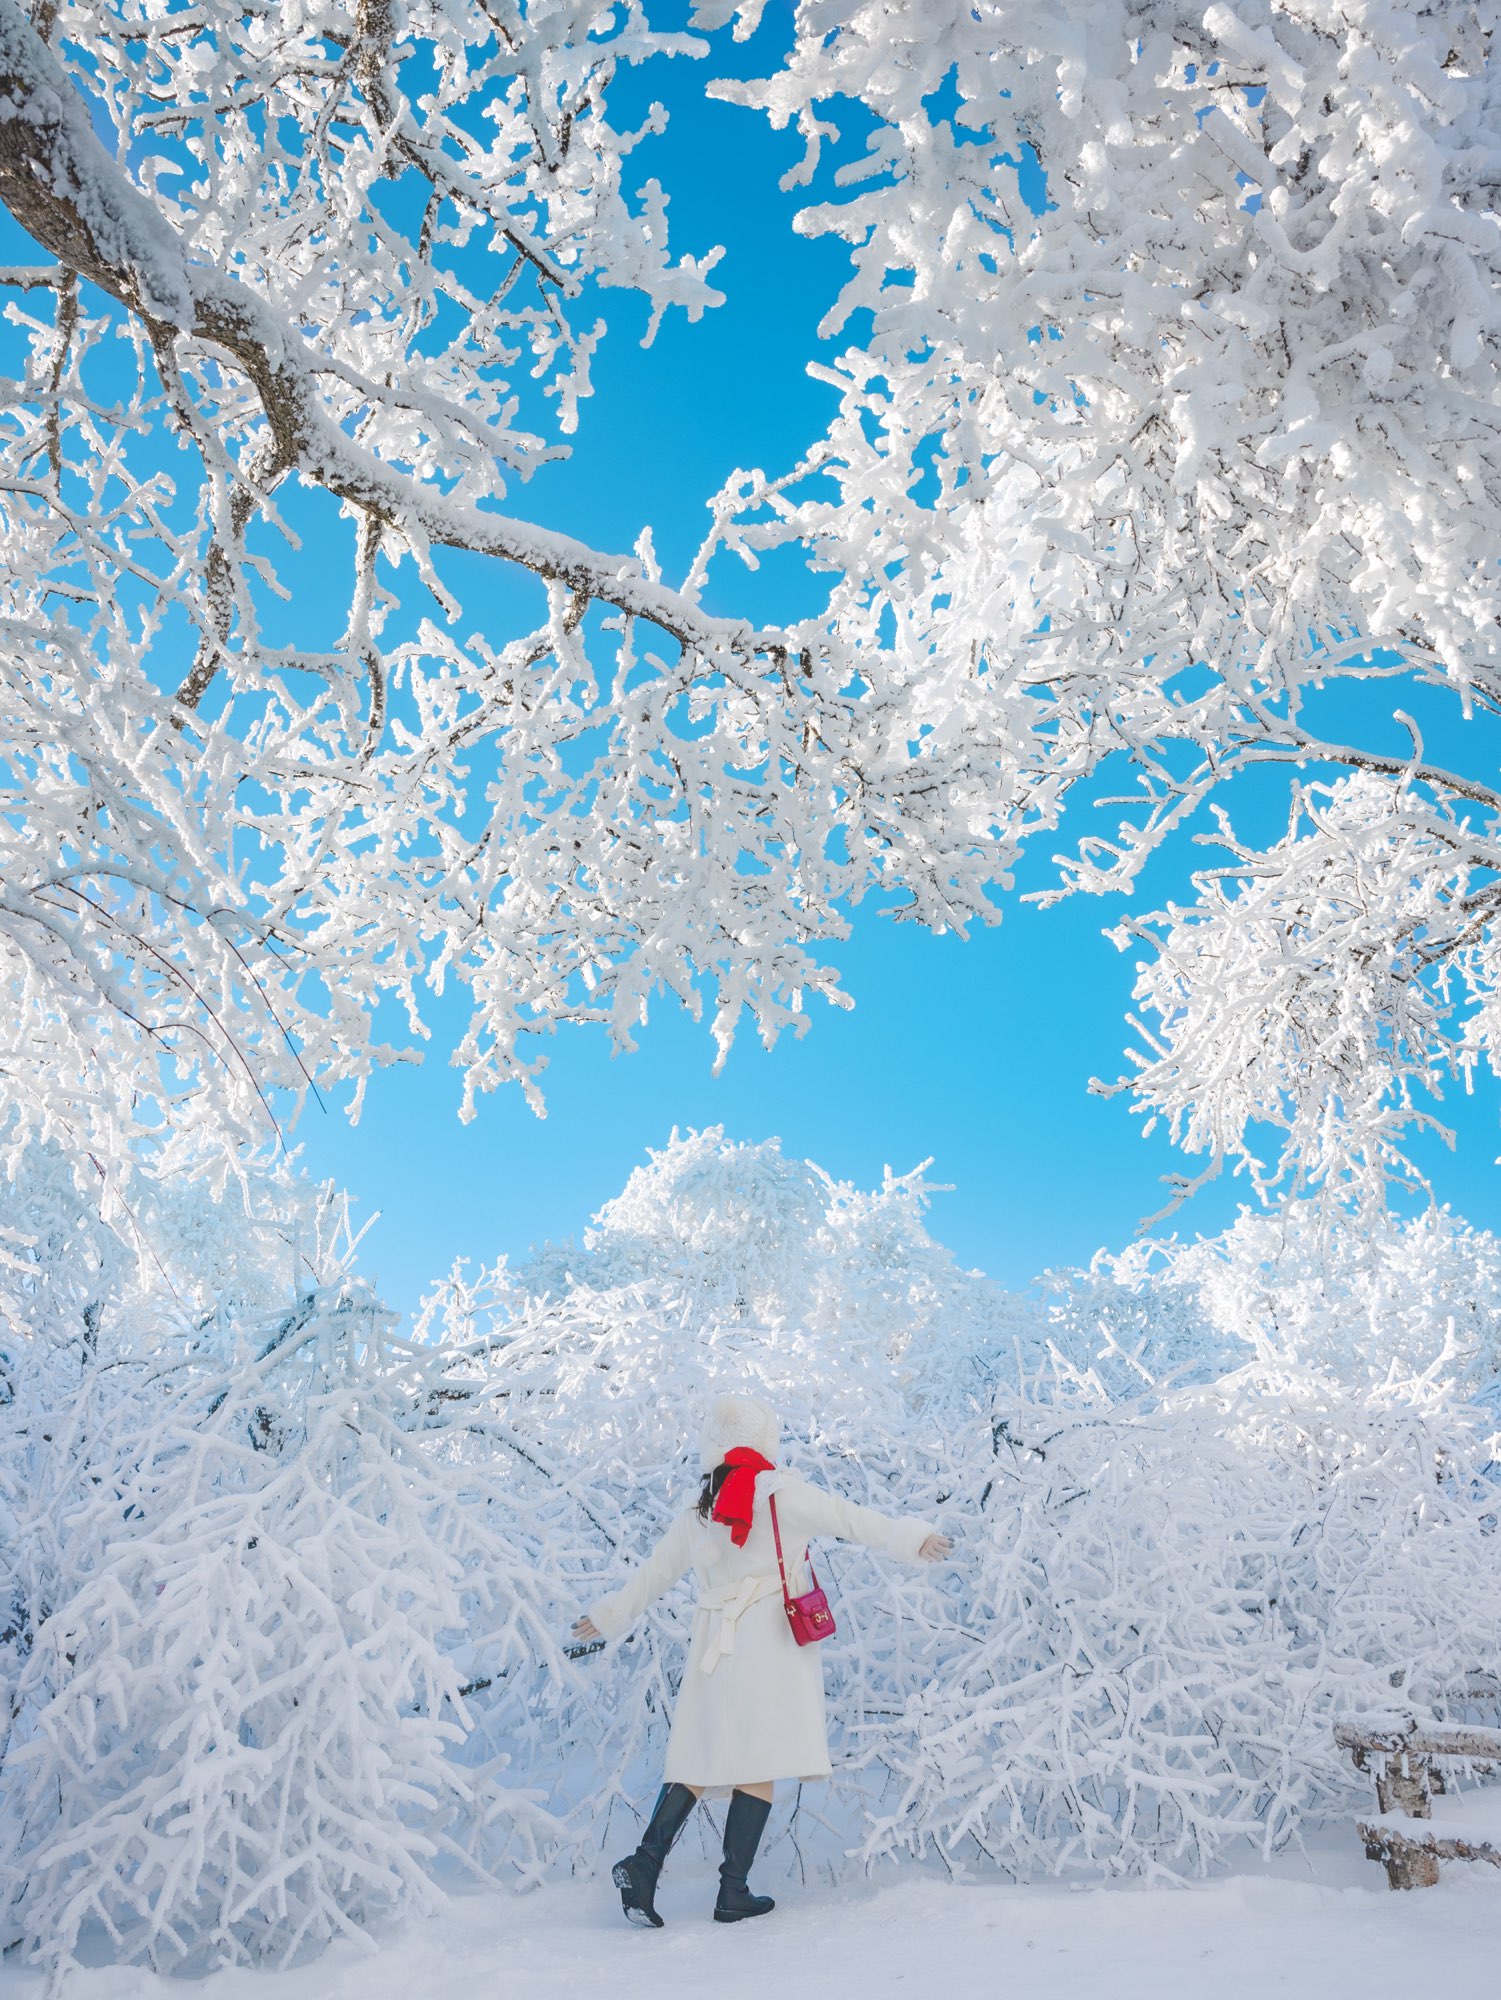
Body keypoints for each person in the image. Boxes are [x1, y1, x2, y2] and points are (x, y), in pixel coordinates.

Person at [571, 1392, 952, 1929]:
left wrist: (606, 1616)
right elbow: (854, 1520)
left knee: (701, 1755)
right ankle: (732, 1891)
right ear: (763, 1442)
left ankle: (645, 1863)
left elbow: (653, 1577)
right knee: (762, 1756)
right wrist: (918, 1539)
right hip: (767, 1642)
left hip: (713, 1643)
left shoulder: (698, 1512)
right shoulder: (783, 1495)